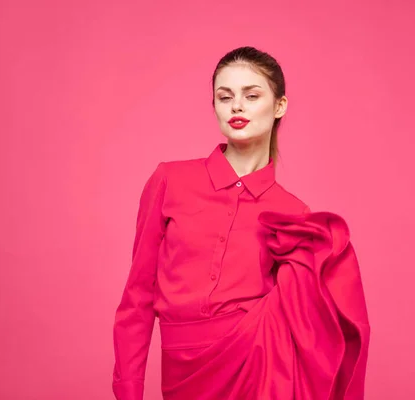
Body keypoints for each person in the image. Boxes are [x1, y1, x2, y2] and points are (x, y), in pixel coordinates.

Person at [111, 46, 370, 400]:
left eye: (252, 95)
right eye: (224, 96)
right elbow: (137, 297)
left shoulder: (293, 212)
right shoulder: (169, 180)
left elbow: (304, 319)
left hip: (257, 371)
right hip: (182, 371)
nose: (236, 106)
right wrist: (128, 389)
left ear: (280, 105)